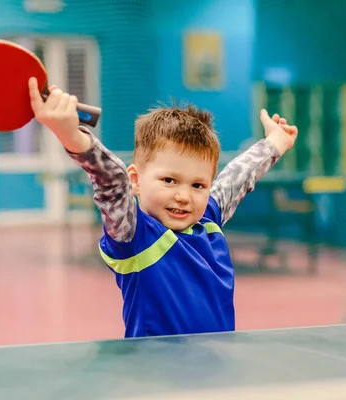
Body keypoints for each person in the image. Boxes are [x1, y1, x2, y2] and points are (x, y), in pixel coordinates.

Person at [28, 78, 298, 338]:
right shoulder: (134, 235)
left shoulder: (208, 218)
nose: (183, 196)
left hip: (214, 373)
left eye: (198, 185)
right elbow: (110, 180)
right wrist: (70, 134)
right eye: (169, 180)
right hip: (155, 376)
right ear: (136, 180)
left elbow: (237, 177)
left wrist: (275, 143)